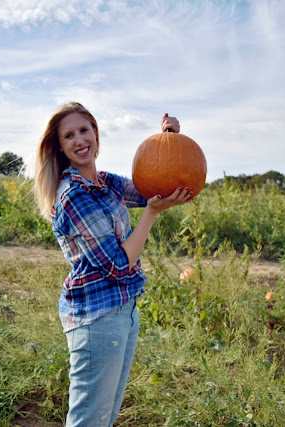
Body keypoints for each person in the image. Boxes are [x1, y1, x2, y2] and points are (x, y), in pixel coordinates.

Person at [34, 102, 193, 426]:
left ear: (95, 132)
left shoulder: (106, 183)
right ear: (61, 147)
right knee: (89, 420)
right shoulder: (74, 195)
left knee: (104, 416)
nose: (80, 140)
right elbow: (119, 264)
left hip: (123, 309)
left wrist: (170, 139)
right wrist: (150, 214)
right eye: (69, 136)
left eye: (84, 130)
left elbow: (157, 186)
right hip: (97, 317)